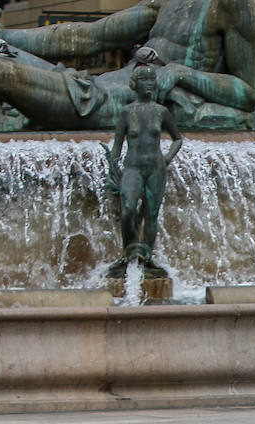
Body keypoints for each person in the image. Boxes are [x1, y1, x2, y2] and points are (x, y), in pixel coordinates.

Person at [0, 0, 255, 133]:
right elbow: (88, 37)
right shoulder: (162, 3)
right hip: (97, 86)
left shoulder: (232, 5)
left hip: (116, 102)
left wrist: (181, 73)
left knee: (0, 73)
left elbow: (247, 93)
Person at [102, 62, 183, 278]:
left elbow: (177, 139)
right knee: (128, 210)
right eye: (144, 80)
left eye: (151, 80)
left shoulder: (161, 112)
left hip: (156, 167)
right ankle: (129, 251)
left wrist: (166, 159)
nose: (149, 84)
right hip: (133, 166)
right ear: (134, 85)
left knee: (151, 214)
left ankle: (147, 257)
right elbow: (118, 144)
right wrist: (112, 164)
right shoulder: (126, 112)